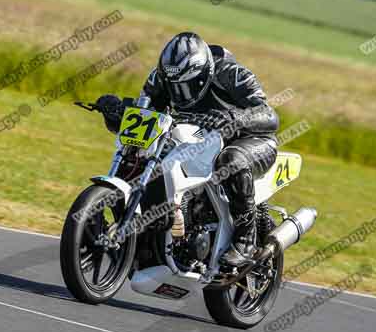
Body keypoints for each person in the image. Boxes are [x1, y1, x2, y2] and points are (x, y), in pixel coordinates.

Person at [97, 32, 279, 267]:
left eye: (187, 85)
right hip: (201, 138)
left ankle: (246, 238)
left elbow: (269, 115)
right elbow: (144, 117)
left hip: (251, 140)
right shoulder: (161, 77)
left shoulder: (233, 74)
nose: (180, 92)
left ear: (204, 74)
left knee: (230, 160)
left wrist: (233, 118)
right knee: (144, 156)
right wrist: (116, 111)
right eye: (175, 86)